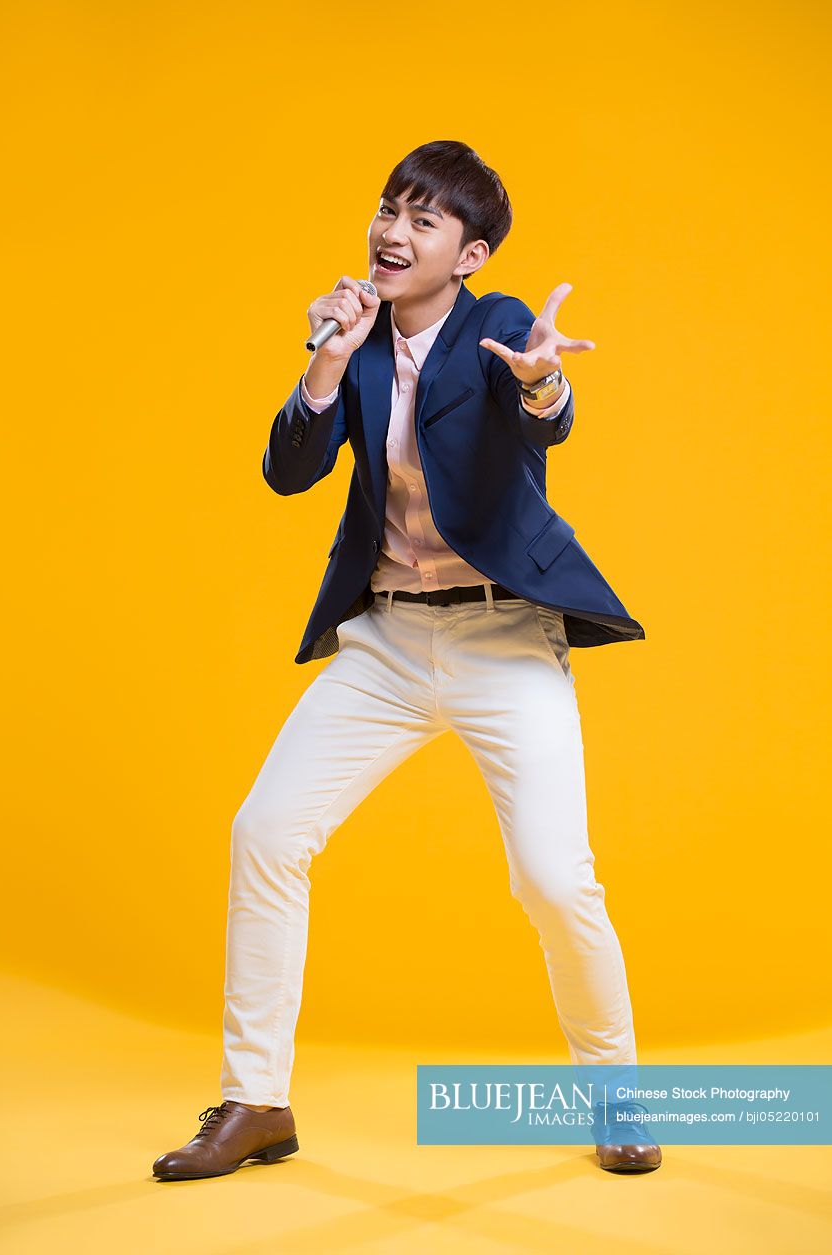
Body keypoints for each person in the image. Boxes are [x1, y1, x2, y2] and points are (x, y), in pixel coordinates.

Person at [152, 139, 661, 1180]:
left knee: (555, 879)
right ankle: (256, 1102)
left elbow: (540, 424)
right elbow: (289, 473)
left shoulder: (500, 325)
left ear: (468, 253)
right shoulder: (360, 336)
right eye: (390, 207)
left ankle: (617, 1096)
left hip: (501, 638)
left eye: (424, 219)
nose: (393, 230)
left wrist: (544, 389)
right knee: (266, 834)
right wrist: (328, 357)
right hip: (385, 640)